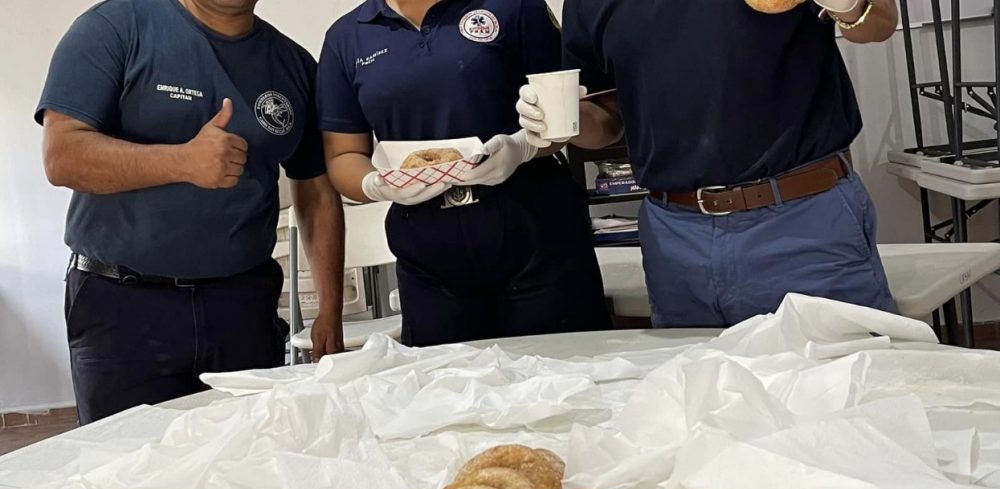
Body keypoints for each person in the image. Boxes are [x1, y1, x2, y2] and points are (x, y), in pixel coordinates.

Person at [37, 0, 346, 424]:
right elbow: (62, 155)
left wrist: (330, 309)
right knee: (126, 473)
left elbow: (315, 191)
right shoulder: (115, 27)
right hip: (124, 310)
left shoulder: (292, 63)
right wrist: (181, 162)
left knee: (251, 465)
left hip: (242, 310)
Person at [518, 0, 899, 327]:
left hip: (802, 219)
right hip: (675, 238)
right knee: (701, 401)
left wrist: (851, 7)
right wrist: (564, 124)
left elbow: (879, 23)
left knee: (840, 397)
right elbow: (608, 114)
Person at [317, 0, 611, 346]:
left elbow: (568, 111)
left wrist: (524, 147)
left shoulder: (513, 6)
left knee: (564, 375)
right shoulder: (347, 37)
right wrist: (376, 185)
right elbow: (344, 153)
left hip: (534, 228)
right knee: (448, 389)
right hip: (428, 247)